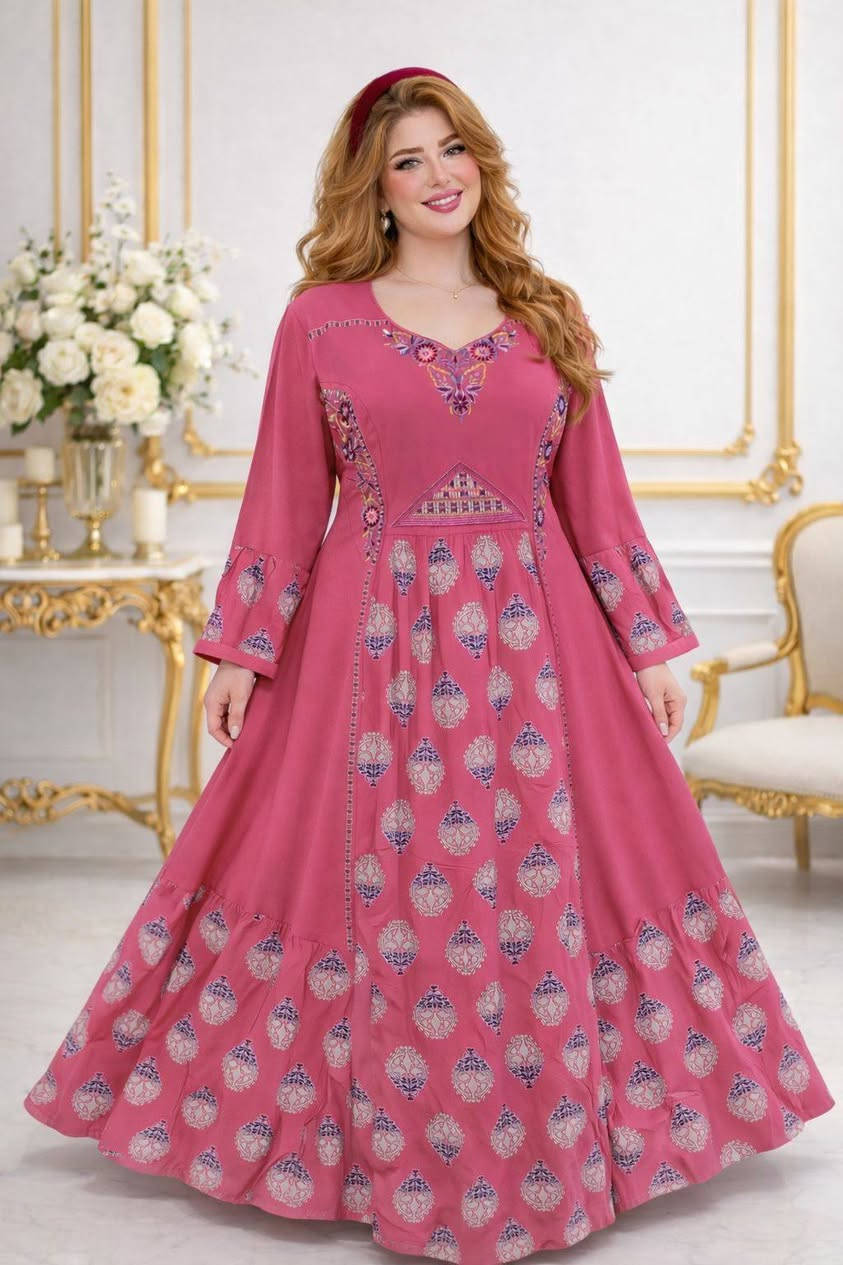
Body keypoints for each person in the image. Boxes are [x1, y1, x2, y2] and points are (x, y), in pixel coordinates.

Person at [23, 67, 834, 1265]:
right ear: (377, 188)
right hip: (368, 647)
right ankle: (354, 1140)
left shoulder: (545, 311)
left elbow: (596, 498)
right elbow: (286, 493)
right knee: (352, 872)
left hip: (544, 648)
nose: (438, 174)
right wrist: (243, 645)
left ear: (481, 162)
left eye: (452, 149)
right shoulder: (323, 319)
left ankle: (566, 1132)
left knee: (553, 877)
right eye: (408, 159)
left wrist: (652, 641)